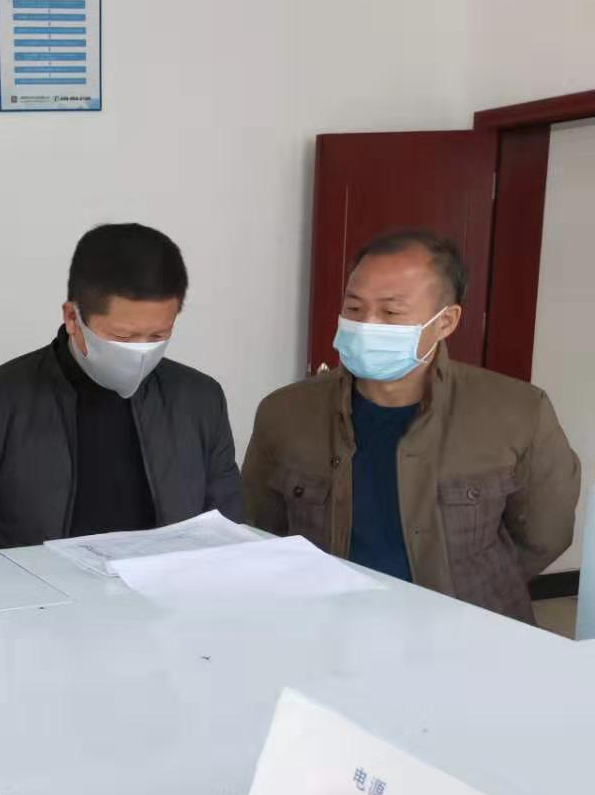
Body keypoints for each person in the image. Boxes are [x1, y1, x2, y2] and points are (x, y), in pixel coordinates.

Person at [243, 229, 580, 621]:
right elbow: (259, 526)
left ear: (446, 321)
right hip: (325, 625)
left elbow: (545, 535)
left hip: (470, 630)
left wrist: (474, 584)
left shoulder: (518, 412)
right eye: (353, 308)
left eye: (391, 312)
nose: (366, 324)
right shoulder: (284, 412)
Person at [0, 222, 242, 553]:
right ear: (72, 318)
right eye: (123, 336)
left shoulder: (200, 401)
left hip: (167, 586)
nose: (142, 351)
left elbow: (228, 543)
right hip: (35, 588)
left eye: (159, 335)